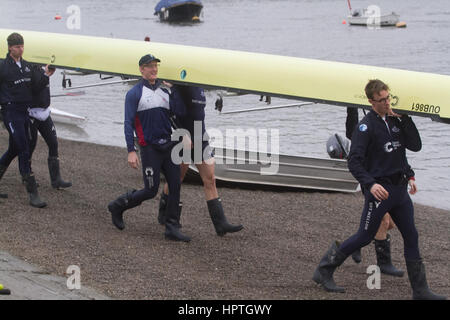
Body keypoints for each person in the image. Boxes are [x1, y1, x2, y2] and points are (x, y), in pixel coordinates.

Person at [312, 79, 446, 300]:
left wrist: (405, 121)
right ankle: (324, 270)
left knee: (411, 235)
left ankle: (420, 290)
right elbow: (354, 161)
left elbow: (413, 146)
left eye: (388, 98)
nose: (387, 103)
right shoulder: (366, 127)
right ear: (371, 101)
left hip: (400, 191)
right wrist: (370, 184)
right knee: (364, 236)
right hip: (380, 191)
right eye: (382, 100)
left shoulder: (395, 121)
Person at [107, 54, 190, 242]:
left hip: (168, 145)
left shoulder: (165, 91)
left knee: (175, 184)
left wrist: (175, 91)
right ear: (141, 70)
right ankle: (118, 206)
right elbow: (128, 123)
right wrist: (131, 151)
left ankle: (172, 227)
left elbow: (179, 114)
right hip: (149, 148)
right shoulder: (134, 94)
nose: (154, 69)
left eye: (155, 66)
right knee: (150, 190)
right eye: (150, 66)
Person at [157, 85, 244, 236]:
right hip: (182, 137)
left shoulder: (201, 85)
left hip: (200, 137)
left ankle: (220, 224)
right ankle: (165, 214)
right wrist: (182, 134)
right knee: (177, 178)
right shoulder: (181, 85)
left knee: (210, 179)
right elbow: (170, 113)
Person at [346, 107, 404, 277]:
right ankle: (384, 264)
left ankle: (355, 244)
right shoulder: (363, 128)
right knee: (383, 221)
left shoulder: (384, 125)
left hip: (386, 179)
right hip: (370, 180)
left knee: (390, 223)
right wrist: (352, 106)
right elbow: (351, 131)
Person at [0, 32, 53, 208]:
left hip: (24, 111)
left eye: (22, 46)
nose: (20, 49)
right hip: (10, 112)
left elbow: (37, 86)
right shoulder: (2, 66)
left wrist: (46, 75)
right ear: (9, 48)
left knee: (15, 148)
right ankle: (32, 193)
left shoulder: (27, 66)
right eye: (17, 47)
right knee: (23, 147)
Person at [0, 64, 72, 191]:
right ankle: (27, 176)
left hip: (44, 112)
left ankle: (56, 180)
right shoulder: (27, 70)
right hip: (30, 113)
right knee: (29, 146)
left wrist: (47, 73)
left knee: (53, 143)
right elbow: (35, 87)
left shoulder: (41, 69)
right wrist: (46, 75)